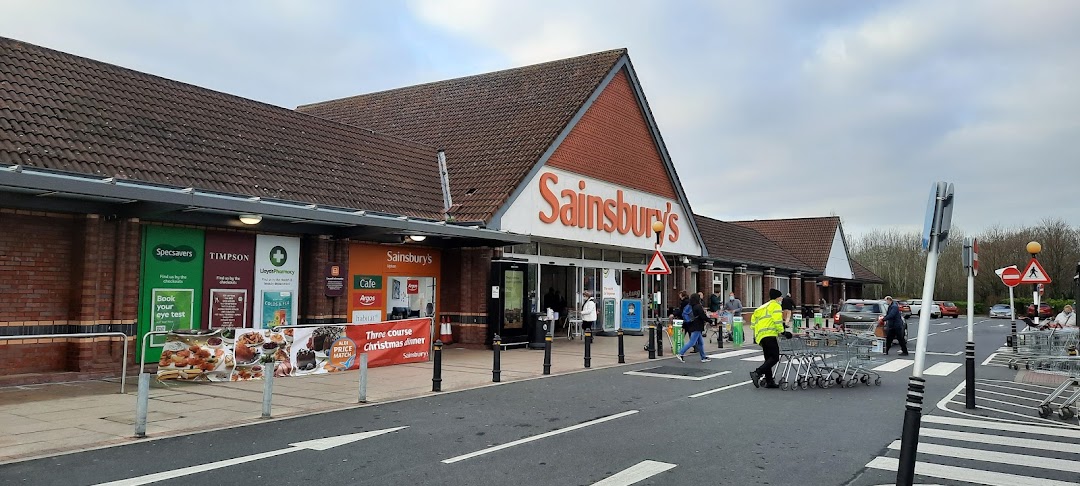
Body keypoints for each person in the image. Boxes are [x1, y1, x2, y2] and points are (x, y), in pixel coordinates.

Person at [749, 289, 790, 388]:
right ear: (777, 297)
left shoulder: (762, 307)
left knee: (768, 359)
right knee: (775, 357)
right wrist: (783, 332)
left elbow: (753, 321)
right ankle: (757, 373)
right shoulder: (775, 305)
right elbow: (777, 321)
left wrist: (756, 332)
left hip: (761, 336)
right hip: (770, 334)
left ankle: (769, 381)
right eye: (780, 297)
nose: (782, 298)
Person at [676, 293, 711, 363]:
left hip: (692, 324)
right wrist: (710, 321)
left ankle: (703, 357)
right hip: (697, 326)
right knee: (692, 342)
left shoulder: (691, 306)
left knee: (700, 343)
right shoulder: (698, 306)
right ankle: (680, 353)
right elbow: (703, 316)